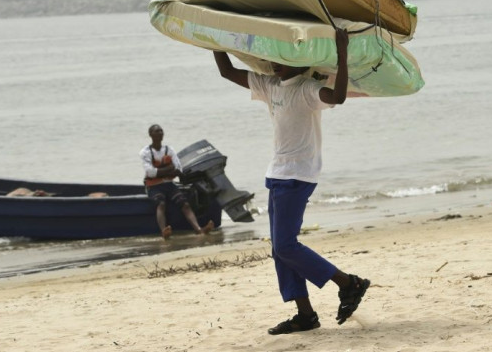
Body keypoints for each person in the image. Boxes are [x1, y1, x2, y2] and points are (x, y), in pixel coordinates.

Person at [213, 28, 369, 334]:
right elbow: (227, 71)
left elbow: (337, 97)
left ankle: (349, 282)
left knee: (285, 245)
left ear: (303, 62)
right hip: (276, 174)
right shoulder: (270, 85)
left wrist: (342, 52)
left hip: (299, 174)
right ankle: (306, 315)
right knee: (280, 248)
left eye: (285, 58)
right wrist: (211, 39)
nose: (275, 63)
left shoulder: (309, 89)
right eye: (274, 57)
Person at [140, 124, 214, 239]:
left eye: (161, 131)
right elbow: (150, 173)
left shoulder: (169, 150)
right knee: (161, 203)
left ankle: (198, 229)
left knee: (185, 204)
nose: (160, 133)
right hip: (153, 186)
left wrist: (162, 171)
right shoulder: (145, 152)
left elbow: (178, 169)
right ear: (150, 135)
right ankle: (164, 232)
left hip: (169, 185)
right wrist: (169, 169)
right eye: (156, 131)